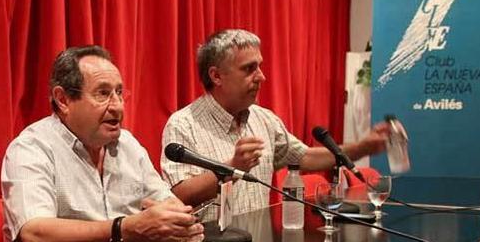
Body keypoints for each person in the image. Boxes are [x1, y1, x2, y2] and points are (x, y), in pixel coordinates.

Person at [1, 46, 203, 242]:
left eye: (119, 93)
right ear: (63, 99)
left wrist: (177, 222)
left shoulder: (127, 145)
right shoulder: (31, 148)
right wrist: (124, 229)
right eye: (103, 94)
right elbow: (35, 234)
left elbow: (167, 204)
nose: (117, 106)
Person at [161, 29, 389, 214]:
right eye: (249, 69)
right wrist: (233, 167)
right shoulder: (183, 124)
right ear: (216, 76)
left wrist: (361, 148)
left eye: (259, 66)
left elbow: (305, 157)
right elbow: (179, 194)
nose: (261, 76)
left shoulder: (264, 119)